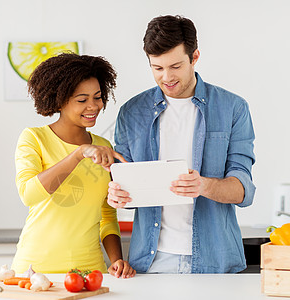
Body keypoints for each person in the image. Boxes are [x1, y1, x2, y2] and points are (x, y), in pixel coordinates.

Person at [107, 15, 256, 274]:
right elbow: (127, 185)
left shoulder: (233, 108)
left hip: (216, 259)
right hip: (151, 261)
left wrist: (203, 185)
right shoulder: (132, 112)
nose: (167, 77)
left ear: (194, 56)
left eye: (175, 66)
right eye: (157, 68)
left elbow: (243, 191)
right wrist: (118, 195)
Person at [11, 52, 136, 278]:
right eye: (82, 100)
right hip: (34, 270)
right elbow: (29, 194)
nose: (93, 106)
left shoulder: (103, 146)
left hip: (89, 272)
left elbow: (107, 215)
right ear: (59, 100)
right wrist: (78, 154)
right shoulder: (34, 138)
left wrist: (117, 259)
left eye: (97, 97)